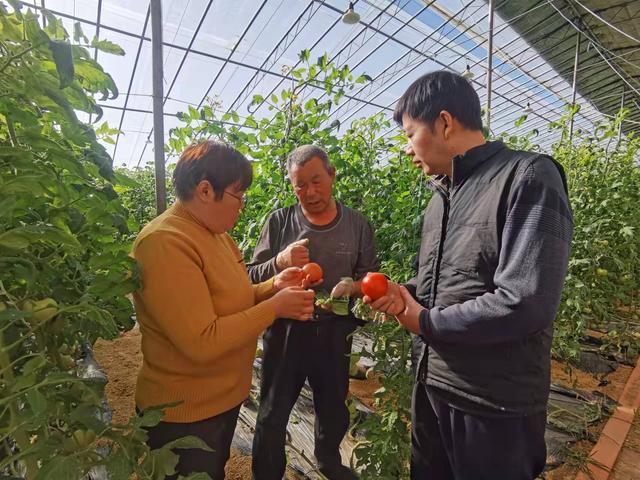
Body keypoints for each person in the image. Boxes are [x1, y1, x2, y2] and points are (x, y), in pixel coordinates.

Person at [368, 71, 573, 480]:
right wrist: (404, 293)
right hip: (433, 384)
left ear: (445, 123)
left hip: (492, 404)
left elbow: (524, 302)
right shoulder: (441, 197)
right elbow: (446, 283)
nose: (407, 149)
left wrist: (424, 321)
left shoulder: (527, 177)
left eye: (410, 134)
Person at [131, 140, 315, 480]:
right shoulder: (165, 242)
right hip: (184, 416)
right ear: (205, 190)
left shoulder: (216, 235)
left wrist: (272, 286)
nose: (242, 205)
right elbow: (202, 341)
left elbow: (233, 298)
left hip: (218, 403)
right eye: (238, 194)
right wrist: (274, 308)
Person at [248, 145, 379, 480]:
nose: (310, 192)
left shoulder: (357, 225)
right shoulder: (279, 222)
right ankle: (266, 474)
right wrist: (279, 262)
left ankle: (328, 462)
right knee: (272, 413)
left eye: (317, 181)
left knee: (333, 407)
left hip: (335, 331)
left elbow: (371, 278)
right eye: (300, 185)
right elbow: (250, 276)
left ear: (332, 175)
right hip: (286, 329)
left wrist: (353, 286)